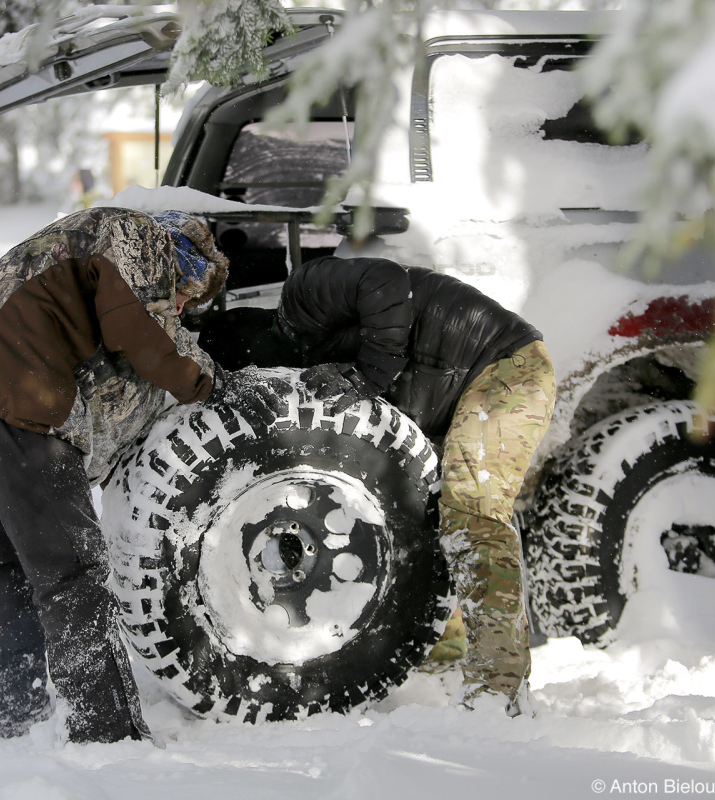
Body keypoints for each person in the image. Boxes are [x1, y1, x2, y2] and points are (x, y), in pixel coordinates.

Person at [0, 207, 278, 744]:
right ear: (189, 262)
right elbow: (142, 333)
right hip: (8, 384)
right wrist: (214, 383)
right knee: (74, 574)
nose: (181, 308)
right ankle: (106, 733)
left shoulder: (78, 244)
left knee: (5, 568)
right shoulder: (140, 238)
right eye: (186, 297)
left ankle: (11, 718)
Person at [199, 255, 556, 716]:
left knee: (474, 516)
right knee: (424, 518)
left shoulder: (302, 296)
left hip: (504, 369)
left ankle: (500, 688)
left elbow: (385, 281)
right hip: (458, 392)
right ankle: (445, 656)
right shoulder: (315, 362)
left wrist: (371, 375)